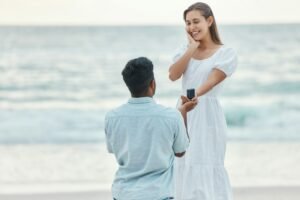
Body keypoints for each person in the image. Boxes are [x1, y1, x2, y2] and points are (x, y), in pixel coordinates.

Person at [169, 2, 238, 200]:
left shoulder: (226, 53)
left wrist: (193, 96)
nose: (192, 27)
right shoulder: (185, 50)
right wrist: (191, 48)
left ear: (209, 21)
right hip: (183, 112)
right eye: (188, 23)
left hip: (207, 116)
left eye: (196, 21)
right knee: (182, 161)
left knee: (205, 161)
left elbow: (212, 81)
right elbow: (173, 75)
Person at [105, 57, 197, 200]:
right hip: (158, 194)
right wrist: (183, 112)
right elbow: (180, 151)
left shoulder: (112, 117)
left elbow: (113, 149)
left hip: (123, 194)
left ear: (128, 86)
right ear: (153, 84)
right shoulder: (172, 116)